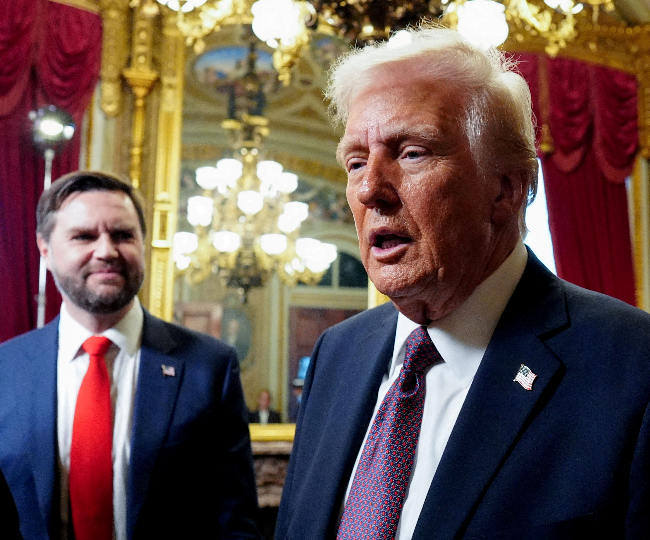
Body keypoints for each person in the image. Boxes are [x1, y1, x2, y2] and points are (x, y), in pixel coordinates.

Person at [275, 26, 650, 540]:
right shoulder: (338, 353)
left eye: (412, 153)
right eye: (356, 162)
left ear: (506, 189)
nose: (369, 190)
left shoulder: (633, 365)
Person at [0, 171, 261, 540]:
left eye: (123, 235)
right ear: (46, 250)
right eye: (84, 236)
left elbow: (235, 523)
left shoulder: (209, 367)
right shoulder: (6, 370)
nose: (106, 251)